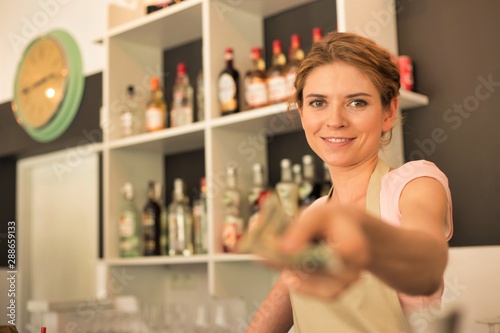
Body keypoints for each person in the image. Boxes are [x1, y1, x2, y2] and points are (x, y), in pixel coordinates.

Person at [245, 31, 453, 333]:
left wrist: (364, 237)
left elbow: (427, 262)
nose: (335, 120)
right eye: (318, 103)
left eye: (356, 103)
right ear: (302, 113)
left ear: (388, 112)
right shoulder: (313, 216)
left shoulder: (414, 184)